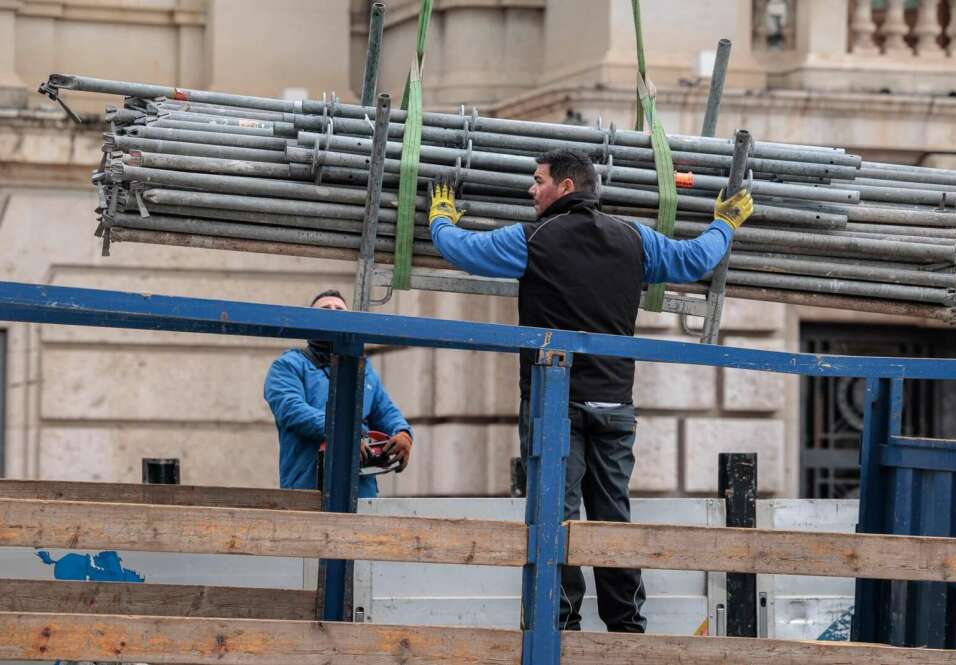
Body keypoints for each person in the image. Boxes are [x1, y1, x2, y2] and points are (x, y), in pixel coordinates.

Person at [427, 149, 753, 633]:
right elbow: (694, 259)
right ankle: (626, 628)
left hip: (554, 402)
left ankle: (559, 626)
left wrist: (440, 220)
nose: (532, 191)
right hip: (615, 403)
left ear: (565, 186)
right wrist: (724, 223)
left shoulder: (534, 239)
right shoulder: (635, 239)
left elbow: (463, 251)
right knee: (612, 516)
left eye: (538, 181)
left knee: (554, 515)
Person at [263, 289, 413, 497]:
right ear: (309, 323)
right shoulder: (288, 366)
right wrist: (344, 433)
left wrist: (403, 433)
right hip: (307, 491)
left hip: (362, 493)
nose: (334, 312)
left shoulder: (363, 371)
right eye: (326, 309)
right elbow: (292, 410)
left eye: (339, 309)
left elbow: (386, 411)